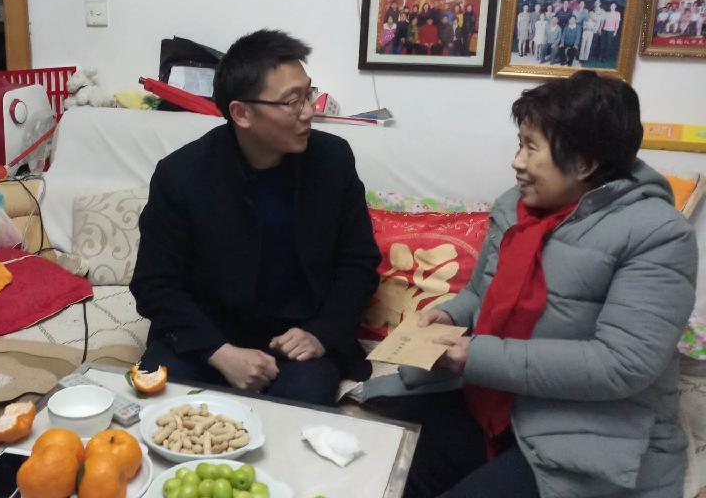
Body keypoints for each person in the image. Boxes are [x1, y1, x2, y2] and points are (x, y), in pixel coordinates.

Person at [366, 70, 697, 498]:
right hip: (492, 400)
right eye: (519, 144)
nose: (517, 162)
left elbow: (622, 365)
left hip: (588, 426)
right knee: (382, 474)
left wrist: (475, 355)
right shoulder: (513, 206)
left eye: (531, 147)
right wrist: (448, 314)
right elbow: (480, 293)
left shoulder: (658, 233)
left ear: (584, 163)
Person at [131, 29, 381, 406]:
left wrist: (321, 334)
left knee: (302, 405)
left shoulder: (333, 160)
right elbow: (154, 283)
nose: (309, 111)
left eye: (308, 94)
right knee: (157, 398)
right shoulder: (181, 175)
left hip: (296, 339)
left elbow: (358, 263)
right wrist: (219, 351)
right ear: (241, 113)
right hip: (206, 338)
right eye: (292, 101)